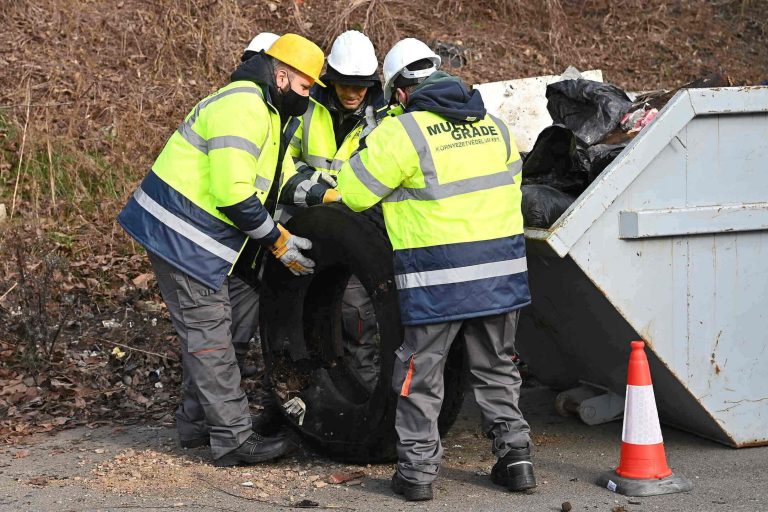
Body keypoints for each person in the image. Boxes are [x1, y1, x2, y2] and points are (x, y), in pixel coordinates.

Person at [336, 37, 536, 501]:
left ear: (400, 92)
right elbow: (512, 184)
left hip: (437, 278)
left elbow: (353, 192)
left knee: (420, 373)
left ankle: (418, 474)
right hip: (500, 273)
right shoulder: (495, 125)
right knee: (497, 367)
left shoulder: (402, 132)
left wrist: (368, 149)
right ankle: (517, 459)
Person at [117, 33, 324, 467]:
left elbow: (281, 175)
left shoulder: (267, 112)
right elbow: (233, 194)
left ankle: (195, 426)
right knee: (210, 336)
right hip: (182, 235)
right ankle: (232, 440)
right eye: (306, 88)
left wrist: (328, 196)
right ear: (282, 77)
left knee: (221, 332)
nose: (308, 99)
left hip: (202, 238)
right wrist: (277, 240)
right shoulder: (242, 105)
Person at [278, 30, 386, 391]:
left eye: (362, 86)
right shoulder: (304, 107)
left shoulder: (386, 120)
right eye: (345, 85)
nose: (353, 93)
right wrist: (325, 192)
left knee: (356, 315)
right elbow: (278, 166)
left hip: (357, 236)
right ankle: (294, 398)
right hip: (300, 228)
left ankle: (364, 392)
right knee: (290, 318)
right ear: (330, 81)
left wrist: (342, 194)